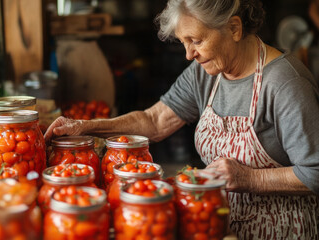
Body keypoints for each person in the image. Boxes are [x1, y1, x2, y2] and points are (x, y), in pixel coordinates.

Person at [45, 0, 319, 238]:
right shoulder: (205, 72)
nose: (189, 54)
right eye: (184, 42)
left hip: (280, 230)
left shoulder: (285, 83)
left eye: (197, 41)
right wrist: (84, 127)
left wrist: (249, 179)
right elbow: (155, 121)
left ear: (234, 28)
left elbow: (314, 171)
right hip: (217, 223)